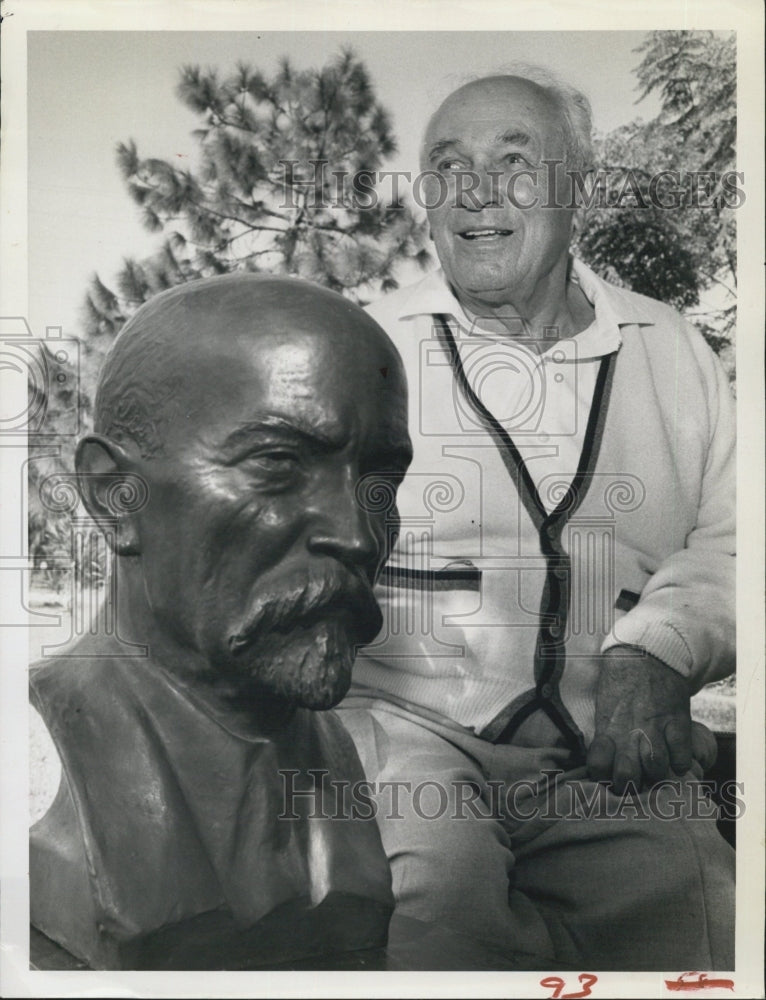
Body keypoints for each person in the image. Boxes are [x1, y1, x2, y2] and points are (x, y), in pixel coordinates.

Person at [337, 70, 736, 970]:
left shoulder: (673, 350)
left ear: (579, 188)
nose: (475, 193)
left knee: (705, 930)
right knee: (436, 913)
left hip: (606, 759)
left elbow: (737, 539)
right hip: (405, 738)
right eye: (447, 168)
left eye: (513, 163)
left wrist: (661, 647)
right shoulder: (363, 348)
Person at [29, 273, 413, 970]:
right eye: (279, 464)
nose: (358, 535)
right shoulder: (35, 772)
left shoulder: (337, 759)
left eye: (381, 482)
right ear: (116, 496)